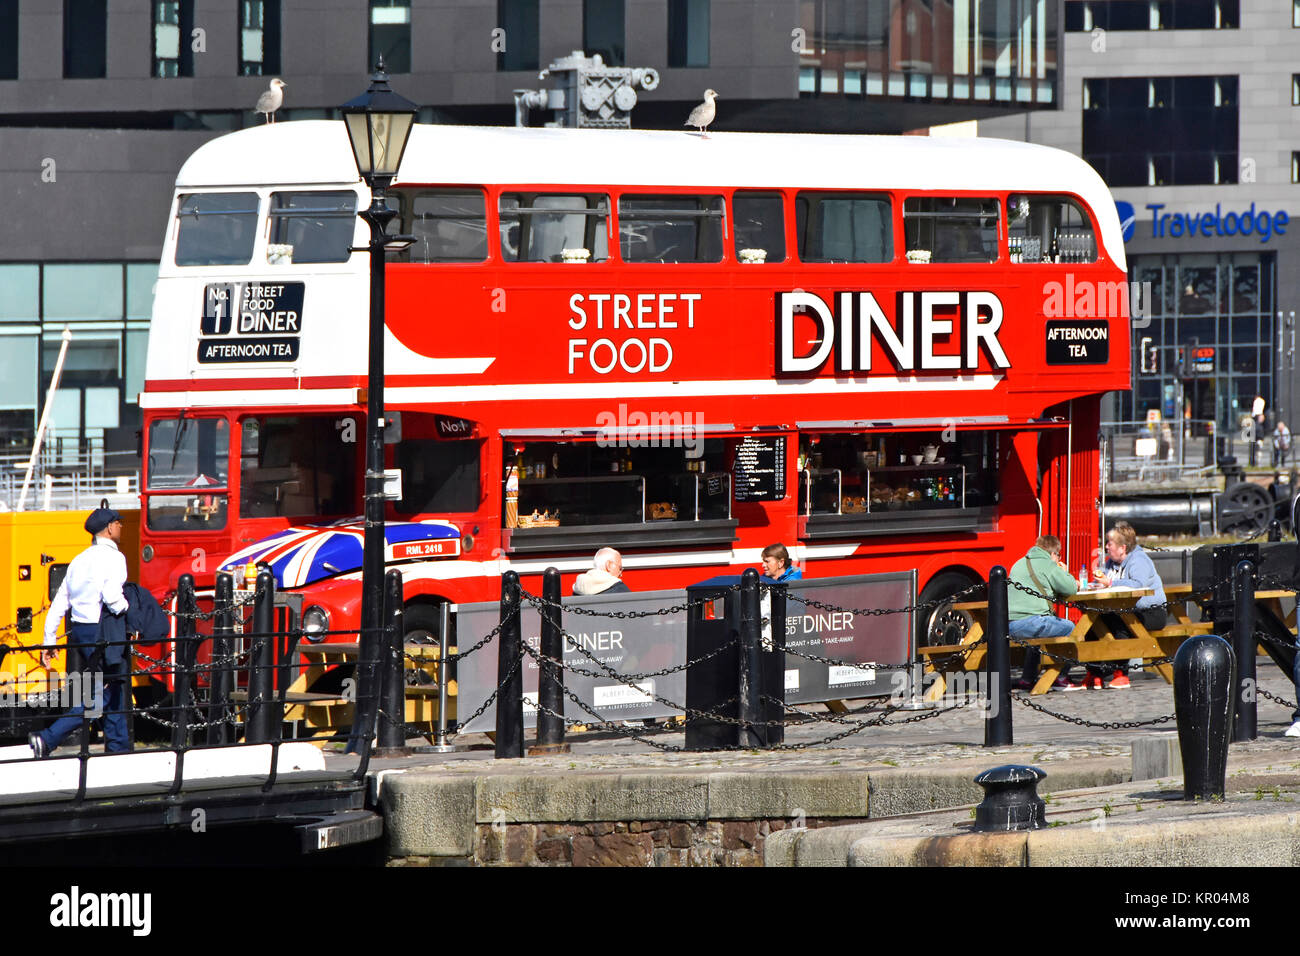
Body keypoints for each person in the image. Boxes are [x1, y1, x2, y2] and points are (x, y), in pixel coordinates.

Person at [29, 508, 131, 758]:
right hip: (104, 631)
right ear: (108, 528)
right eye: (119, 523)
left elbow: (60, 602)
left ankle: (119, 749)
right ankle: (48, 738)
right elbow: (112, 597)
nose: (121, 527)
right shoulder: (115, 558)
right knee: (104, 693)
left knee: (112, 688)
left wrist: (49, 640)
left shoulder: (79, 560)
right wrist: (128, 608)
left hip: (81, 633)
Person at [1087, 521, 1167, 690]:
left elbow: (1138, 584)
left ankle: (1121, 674)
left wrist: (1109, 582)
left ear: (1122, 548)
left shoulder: (1139, 560)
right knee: (1092, 623)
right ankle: (1094, 674)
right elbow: (1106, 581)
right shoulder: (1111, 563)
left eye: (1110, 543)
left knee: (1121, 624)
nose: (1106, 547)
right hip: (1123, 610)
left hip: (1152, 612)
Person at [1007, 535, 1080, 691]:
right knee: (1070, 628)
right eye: (1059, 554)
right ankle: (1060, 677)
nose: (1059, 557)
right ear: (1053, 553)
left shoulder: (1019, 563)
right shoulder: (1048, 564)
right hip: (1030, 623)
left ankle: (1027, 679)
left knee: (1037, 639)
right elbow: (1070, 588)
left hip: (1009, 625)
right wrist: (1065, 572)